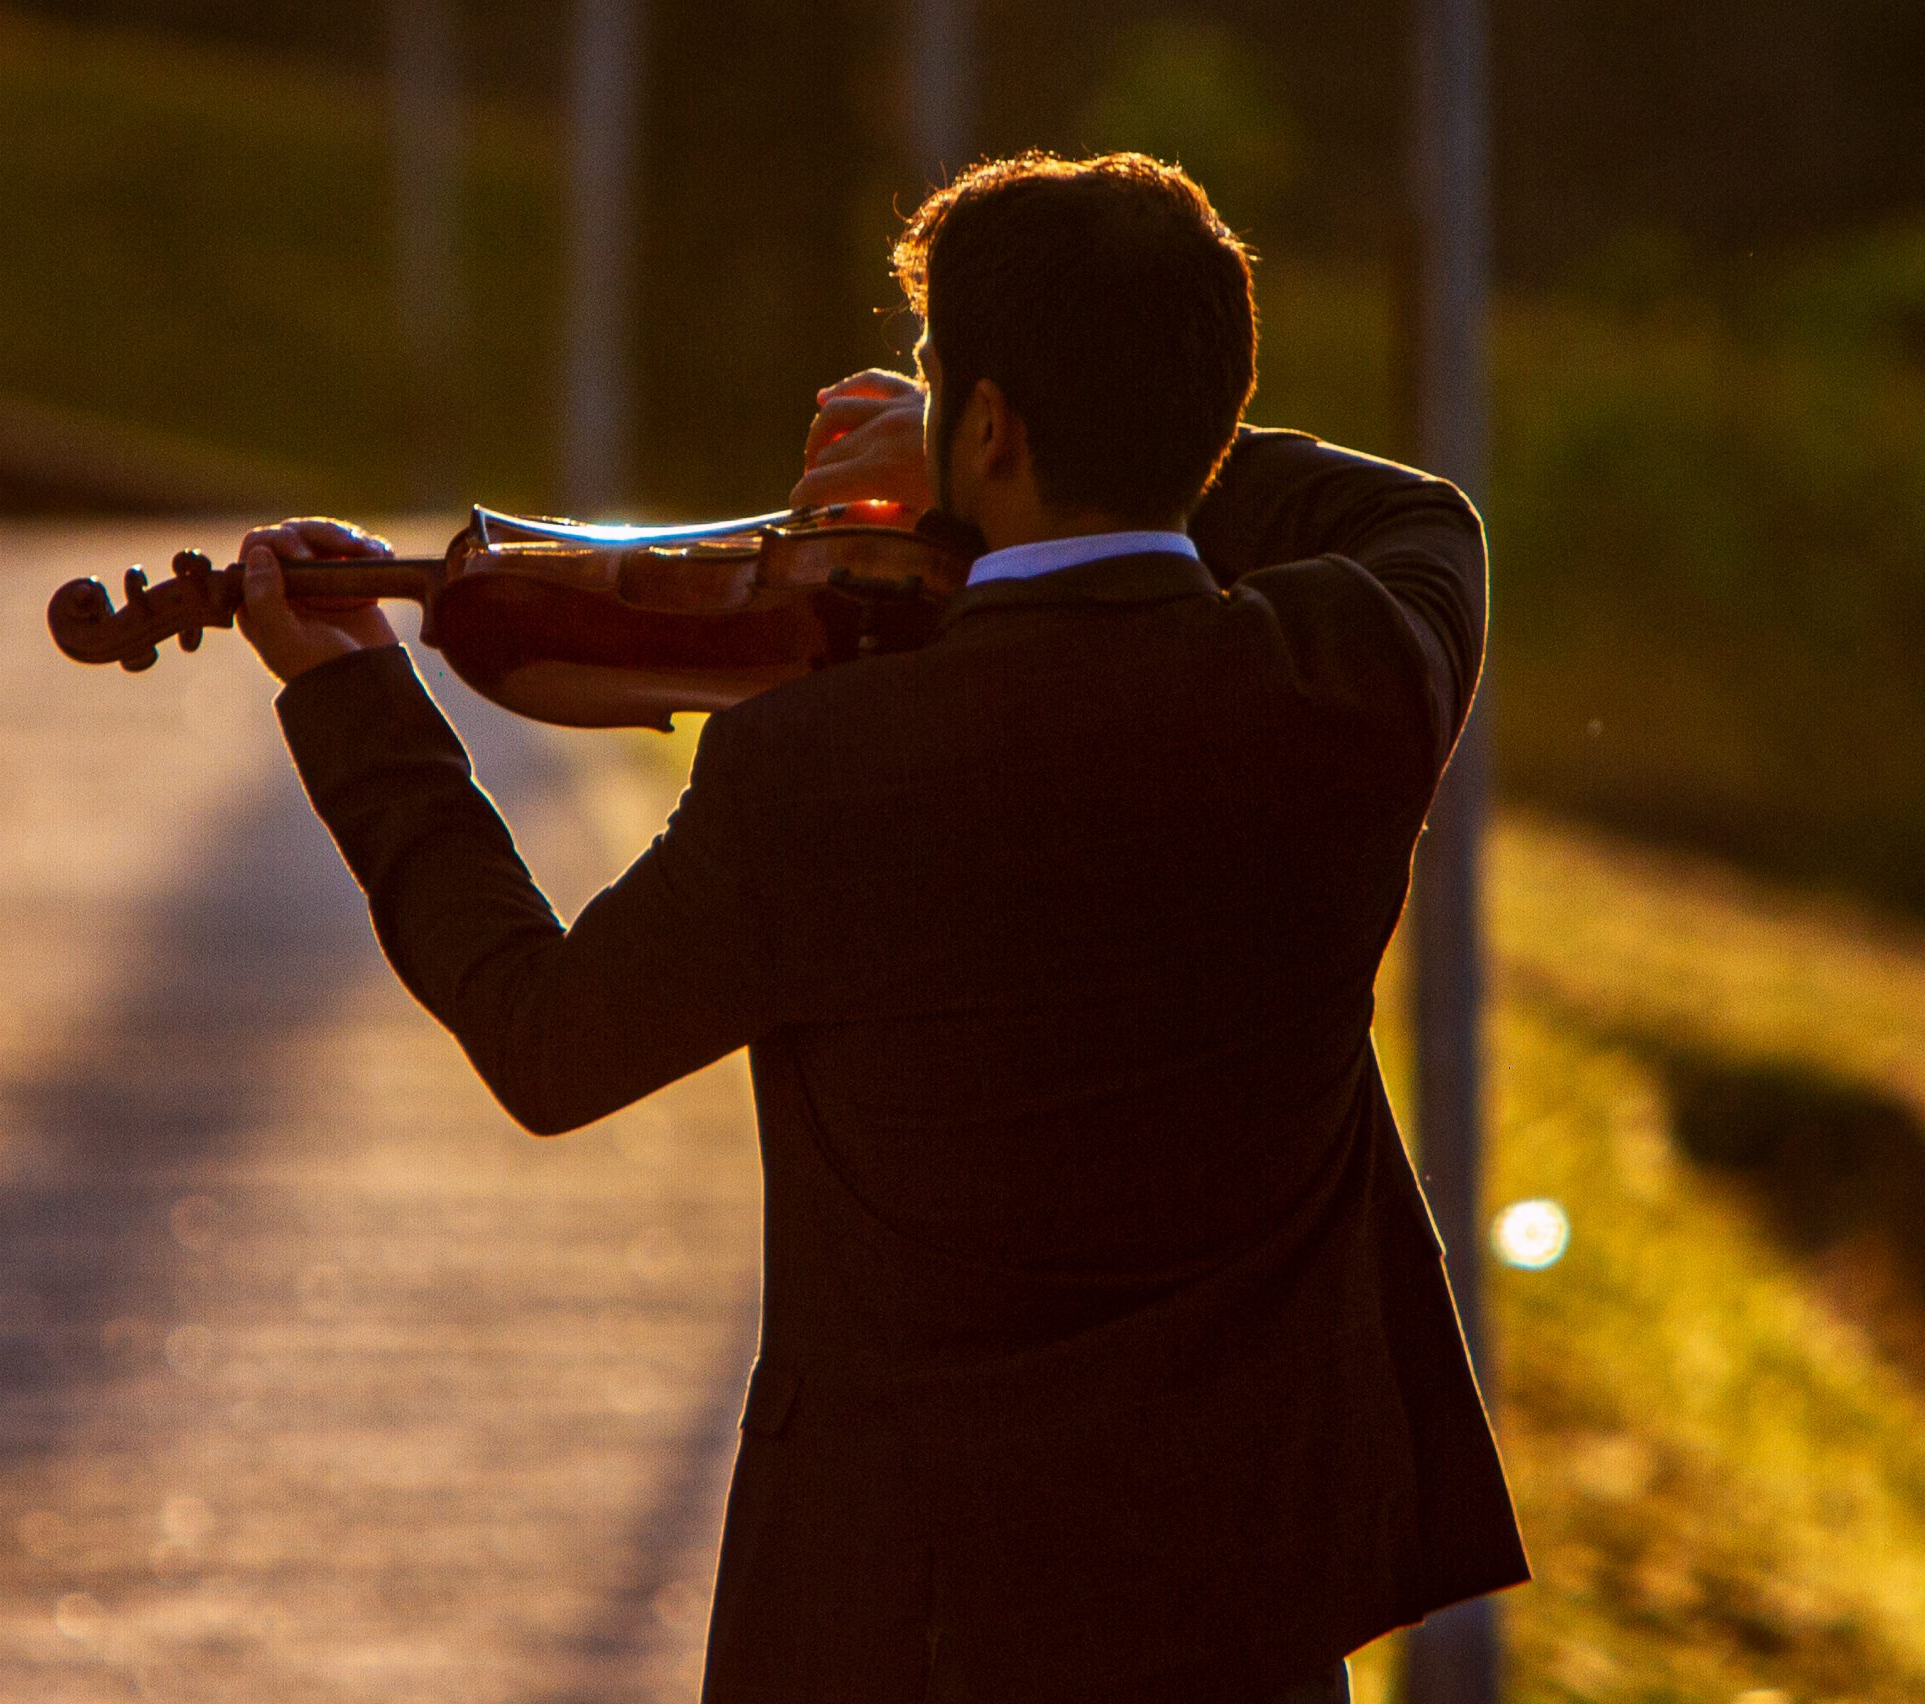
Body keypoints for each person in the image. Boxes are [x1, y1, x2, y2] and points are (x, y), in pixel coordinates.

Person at [226, 151, 1527, 1703]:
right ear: (1216, 407)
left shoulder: (821, 767)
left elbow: (544, 1037)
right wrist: (1121, 424)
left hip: (907, 1630)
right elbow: (1415, 513)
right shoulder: (1354, 674)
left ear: (988, 427)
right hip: (1240, 1609)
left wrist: (356, 694)